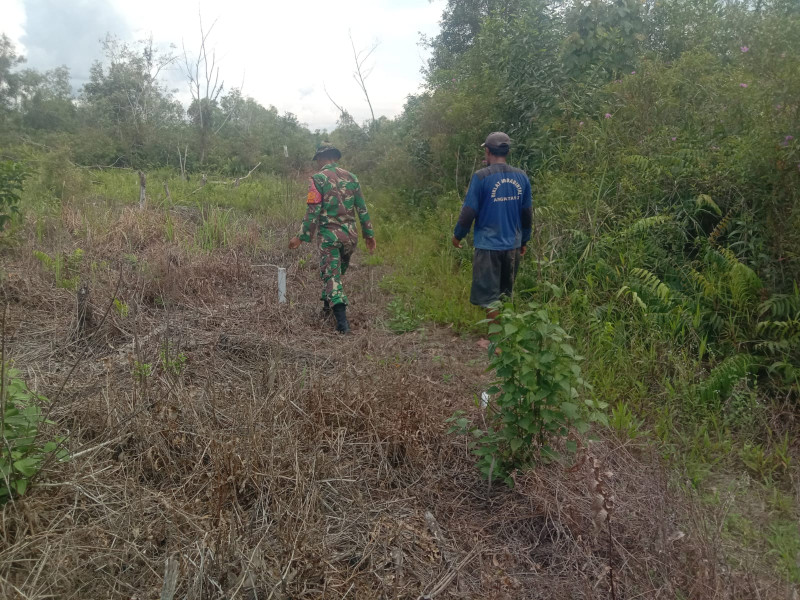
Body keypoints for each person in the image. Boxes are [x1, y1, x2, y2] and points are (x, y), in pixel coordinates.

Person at [289, 142, 376, 334]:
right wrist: (369, 234)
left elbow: (313, 211)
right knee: (335, 273)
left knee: (332, 275)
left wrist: (301, 237)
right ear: (335, 157)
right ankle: (327, 306)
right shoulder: (352, 178)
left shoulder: (318, 179)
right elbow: (362, 209)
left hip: (330, 237)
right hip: (350, 238)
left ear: (321, 158)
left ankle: (343, 325)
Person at [452, 132, 532, 321]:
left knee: (489, 297)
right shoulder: (522, 177)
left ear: (487, 151)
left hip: (488, 246)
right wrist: (524, 240)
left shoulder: (481, 177)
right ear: (508, 151)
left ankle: (496, 344)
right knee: (505, 293)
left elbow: (469, 211)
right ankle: (503, 337)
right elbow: (527, 213)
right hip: (512, 244)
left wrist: (458, 236)